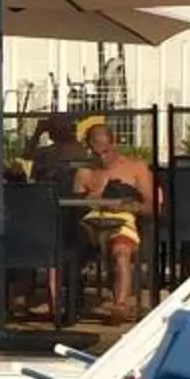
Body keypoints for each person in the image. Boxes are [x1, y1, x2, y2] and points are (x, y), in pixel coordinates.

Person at [72, 118, 157, 317]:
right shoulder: (84, 172)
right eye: (95, 153)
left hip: (122, 221)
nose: (101, 158)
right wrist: (95, 194)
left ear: (114, 144)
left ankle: (120, 305)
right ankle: (66, 301)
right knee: (68, 246)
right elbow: (74, 207)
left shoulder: (136, 168)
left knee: (121, 251)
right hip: (91, 223)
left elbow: (152, 205)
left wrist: (128, 205)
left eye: (105, 151)